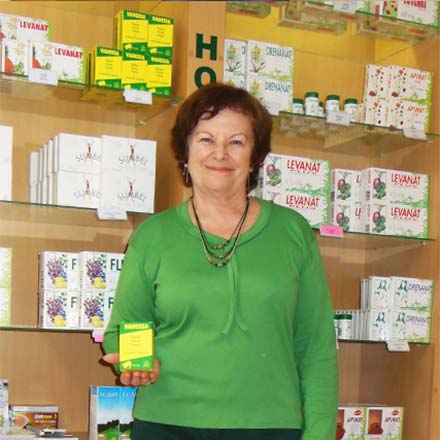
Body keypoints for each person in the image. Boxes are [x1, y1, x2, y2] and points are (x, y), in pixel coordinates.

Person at [102, 83, 338, 440]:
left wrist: (319, 434)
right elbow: (126, 325)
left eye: (237, 142)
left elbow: (316, 346)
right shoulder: (153, 236)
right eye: (206, 139)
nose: (220, 153)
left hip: (270, 427)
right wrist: (136, 361)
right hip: (167, 423)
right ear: (186, 149)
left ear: (255, 156)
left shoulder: (292, 232)